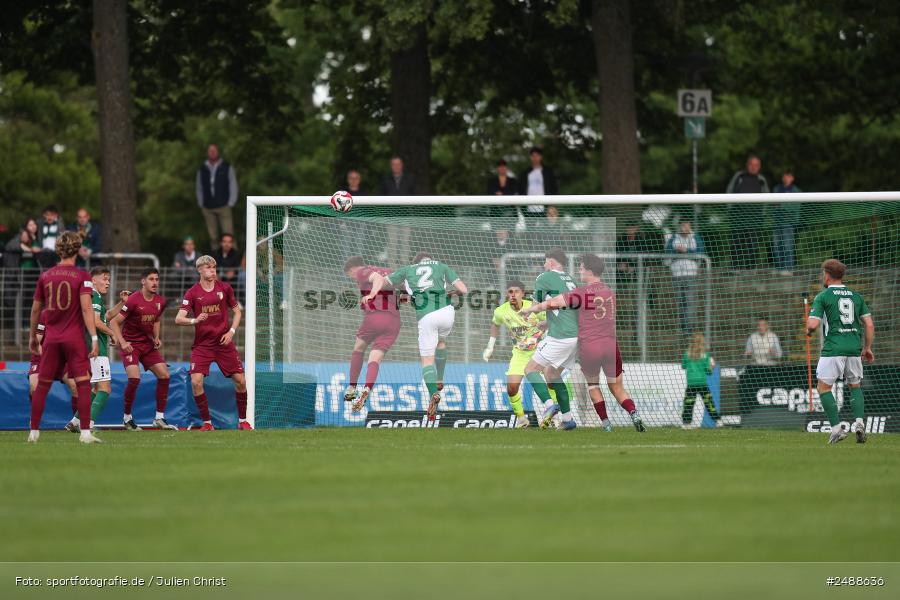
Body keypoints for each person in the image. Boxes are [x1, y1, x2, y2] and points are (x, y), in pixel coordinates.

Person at [521, 254, 645, 432]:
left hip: (590, 345)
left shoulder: (581, 292)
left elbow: (553, 303)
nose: (579, 271)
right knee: (616, 387)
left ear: (588, 271)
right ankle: (633, 413)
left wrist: (531, 309)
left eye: (580, 268)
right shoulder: (609, 292)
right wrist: (549, 323)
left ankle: (605, 424)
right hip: (610, 344)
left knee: (593, 386)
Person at [364, 252, 467, 419]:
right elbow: (463, 289)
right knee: (441, 341)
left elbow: (383, 283)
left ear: (416, 262)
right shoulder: (441, 266)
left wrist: (373, 291)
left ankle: (434, 393)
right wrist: (449, 294)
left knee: (427, 360)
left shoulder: (406, 270)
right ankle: (440, 378)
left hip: (427, 316)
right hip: (447, 312)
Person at [26, 231, 100, 444]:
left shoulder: (45, 276)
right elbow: (87, 309)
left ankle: (34, 432)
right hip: (74, 338)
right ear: (77, 250)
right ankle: (85, 433)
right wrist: (93, 338)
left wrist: (33, 337)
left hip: (52, 339)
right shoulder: (82, 276)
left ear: (58, 250)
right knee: (83, 383)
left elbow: (35, 310)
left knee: (43, 385)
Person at [175, 255, 251, 430]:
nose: (212, 271)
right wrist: (194, 321)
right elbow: (179, 319)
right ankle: (207, 423)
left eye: (214, 268)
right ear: (199, 270)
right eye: (208, 268)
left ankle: (242, 422)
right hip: (203, 345)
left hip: (223, 343)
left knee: (240, 380)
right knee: (196, 381)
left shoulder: (225, 288)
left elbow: (237, 312)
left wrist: (231, 331)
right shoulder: (192, 293)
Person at [806, 259, 875, 444]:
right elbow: (869, 324)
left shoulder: (823, 296)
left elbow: (813, 323)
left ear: (827, 275)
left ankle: (837, 429)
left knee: (823, 387)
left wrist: (809, 329)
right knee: (855, 386)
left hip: (833, 348)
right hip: (854, 348)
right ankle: (859, 423)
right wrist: (867, 347)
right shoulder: (856, 296)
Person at [109, 268, 177, 430]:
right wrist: (123, 342)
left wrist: (156, 337)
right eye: (151, 279)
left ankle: (159, 418)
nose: (155, 282)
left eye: (157, 279)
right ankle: (127, 418)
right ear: (143, 281)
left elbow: (157, 319)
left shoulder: (160, 301)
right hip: (131, 345)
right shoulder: (133, 300)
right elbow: (114, 322)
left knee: (165, 375)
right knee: (134, 378)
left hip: (147, 345)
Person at [482, 280, 554, 429]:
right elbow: (495, 324)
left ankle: (553, 416)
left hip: (539, 351)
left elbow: (549, 322)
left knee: (551, 382)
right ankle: (522, 420)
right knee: (512, 388)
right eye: (510, 292)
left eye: (516, 291)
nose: (513, 295)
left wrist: (544, 337)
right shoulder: (501, 311)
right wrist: (490, 346)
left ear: (523, 293)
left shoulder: (533, 308)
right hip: (520, 354)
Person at [64, 267, 128, 431]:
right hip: (96, 348)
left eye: (109, 279)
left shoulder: (91, 297)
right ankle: (87, 425)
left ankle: (75, 422)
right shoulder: (94, 295)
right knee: (105, 389)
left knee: (94, 388)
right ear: (93, 280)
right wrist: (113, 333)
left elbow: (105, 317)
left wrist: (122, 303)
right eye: (105, 278)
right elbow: (96, 321)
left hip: (87, 347)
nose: (108, 282)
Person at [521, 248, 578, 430]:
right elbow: (567, 309)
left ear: (551, 262)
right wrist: (547, 324)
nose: (544, 265)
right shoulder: (571, 280)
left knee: (530, 370)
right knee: (552, 374)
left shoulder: (544, 277)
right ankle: (568, 419)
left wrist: (528, 311)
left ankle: (549, 406)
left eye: (545, 262)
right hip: (576, 336)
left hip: (561, 336)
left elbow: (537, 304)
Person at [341, 256, 402, 412]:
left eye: (350, 275)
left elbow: (376, 278)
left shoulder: (362, 270)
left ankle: (352, 387)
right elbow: (404, 285)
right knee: (375, 359)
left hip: (375, 316)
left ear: (352, 269)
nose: (353, 278)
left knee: (359, 348)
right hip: (393, 322)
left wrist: (372, 294)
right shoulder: (390, 271)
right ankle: (367, 389)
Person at [726, 154, 769, 270]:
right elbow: (729, 192)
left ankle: (751, 269)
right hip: (737, 217)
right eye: (751, 164)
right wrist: (730, 210)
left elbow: (767, 198)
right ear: (747, 165)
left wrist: (762, 215)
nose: (753, 167)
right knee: (736, 243)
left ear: (759, 167)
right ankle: (735, 269)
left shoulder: (761, 180)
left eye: (756, 165)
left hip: (754, 219)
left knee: (752, 244)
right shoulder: (739, 176)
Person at [196, 143, 238, 252]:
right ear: (207, 153)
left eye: (214, 150)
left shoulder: (226, 166)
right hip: (208, 207)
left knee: (229, 234)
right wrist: (201, 203)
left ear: (218, 152)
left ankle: (233, 262)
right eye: (210, 150)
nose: (212, 152)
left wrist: (231, 202)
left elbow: (233, 184)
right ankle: (216, 261)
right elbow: (199, 187)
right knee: (213, 237)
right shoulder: (202, 169)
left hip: (224, 205)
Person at [665, 220, 705, 334]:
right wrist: (676, 251)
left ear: (690, 225)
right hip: (677, 274)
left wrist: (687, 251)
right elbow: (667, 251)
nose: (684, 227)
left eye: (687, 224)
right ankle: (683, 327)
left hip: (690, 274)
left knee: (690, 301)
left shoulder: (695, 237)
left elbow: (701, 251)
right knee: (680, 302)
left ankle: (689, 328)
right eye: (682, 225)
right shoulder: (673, 238)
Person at [379, 156, 415, 268]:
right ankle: (392, 268)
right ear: (391, 166)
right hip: (391, 216)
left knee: (405, 241)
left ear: (402, 165)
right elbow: (381, 197)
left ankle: (404, 266)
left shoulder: (409, 178)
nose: (396, 166)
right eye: (394, 164)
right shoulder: (385, 179)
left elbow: (414, 196)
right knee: (392, 242)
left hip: (405, 215)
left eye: (398, 164)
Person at [680, 332, 719, 428]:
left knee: (688, 404)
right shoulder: (706, 355)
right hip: (702, 382)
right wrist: (712, 367)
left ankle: (686, 424)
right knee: (709, 402)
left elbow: (683, 366)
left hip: (691, 383)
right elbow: (708, 371)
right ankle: (717, 421)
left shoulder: (686, 353)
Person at [773, 170, 801, 275]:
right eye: (785, 175)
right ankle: (779, 268)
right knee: (777, 246)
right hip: (777, 221)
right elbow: (774, 205)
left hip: (789, 221)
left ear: (792, 178)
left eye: (789, 176)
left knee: (787, 245)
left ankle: (788, 268)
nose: (786, 177)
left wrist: (781, 205)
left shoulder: (796, 191)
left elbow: (794, 207)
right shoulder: (777, 189)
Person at [520, 147, 558, 219]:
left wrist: (553, 205)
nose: (535, 158)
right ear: (530, 157)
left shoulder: (548, 172)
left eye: (537, 155)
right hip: (529, 209)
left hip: (545, 208)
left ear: (541, 157)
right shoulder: (525, 173)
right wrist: (523, 207)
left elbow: (554, 188)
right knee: (530, 230)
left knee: (545, 230)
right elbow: (521, 190)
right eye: (533, 156)